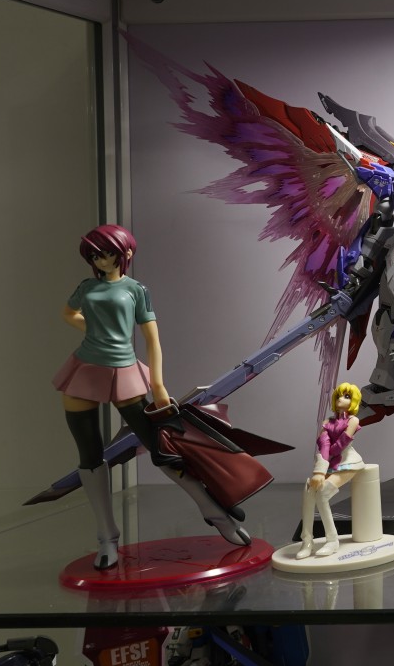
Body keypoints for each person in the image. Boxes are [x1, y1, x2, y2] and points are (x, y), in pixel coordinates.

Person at [56, 225, 250, 569]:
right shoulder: (86, 287)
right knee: (89, 456)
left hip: (124, 370)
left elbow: (152, 340)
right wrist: (94, 330)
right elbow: (68, 313)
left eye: (108, 254)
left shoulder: (135, 290)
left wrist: (158, 386)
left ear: (125, 254)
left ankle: (214, 512)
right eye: (95, 255)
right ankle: (107, 536)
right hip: (85, 368)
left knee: (163, 449)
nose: (101, 260)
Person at [299, 382, 365, 559]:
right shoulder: (327, 422)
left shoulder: (353, 420)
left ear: (354, 401)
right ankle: (307, 541)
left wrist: (321, 471)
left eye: (347, 396)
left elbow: (339, 446)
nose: (341, 399)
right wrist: (320, 470)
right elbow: (324, 445)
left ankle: (332, 540)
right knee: (309, 490)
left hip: (348, 462)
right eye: (339, 396)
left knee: (322, 493)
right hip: (328, 463)